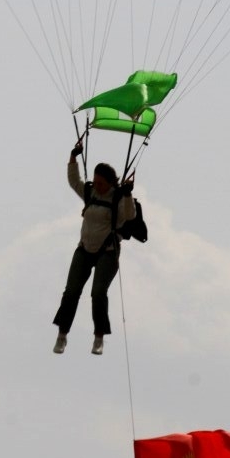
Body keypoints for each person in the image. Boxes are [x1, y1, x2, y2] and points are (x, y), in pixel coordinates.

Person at [53, 139, 136, 355]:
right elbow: (74, 181)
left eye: (101, 183)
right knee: (71, 292)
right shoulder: (91, 193)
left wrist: (128, 194)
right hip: (84, 250)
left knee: (98, 293)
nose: (97, 186)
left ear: (110, 183)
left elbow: (129, 216)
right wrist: (73, 156)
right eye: (95, 182)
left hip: (107, 252)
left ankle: (99, 337)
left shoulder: (119, 198)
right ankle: (62, 335)